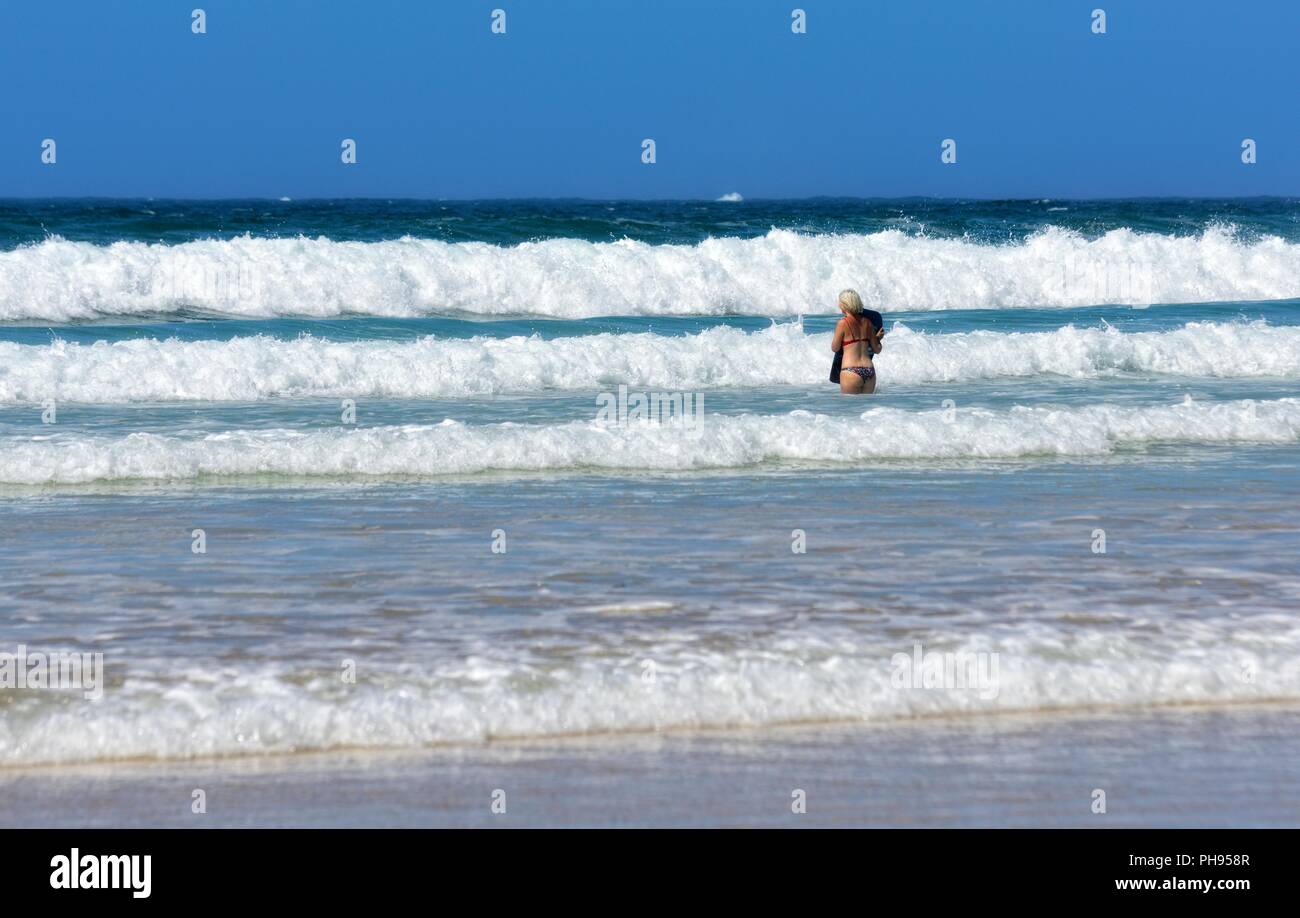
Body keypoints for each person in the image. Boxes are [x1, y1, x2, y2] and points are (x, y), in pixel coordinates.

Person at [830, 289, 884, 394]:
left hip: (851, 371)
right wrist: (878, 338)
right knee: (867, 409)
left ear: (845, 304)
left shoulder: (842, 323)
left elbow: (835, 348)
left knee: (849, 409)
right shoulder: (868, 322)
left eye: (840, 303)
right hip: (869, 372)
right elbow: (877, 349)